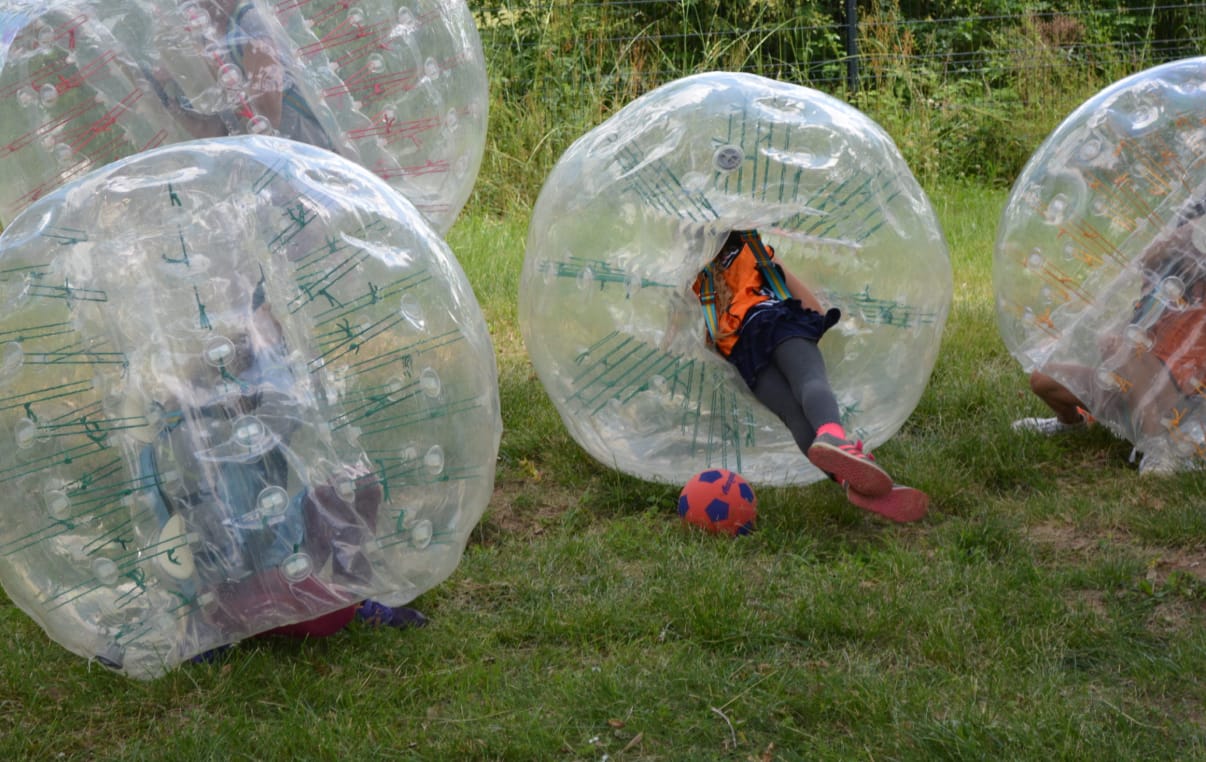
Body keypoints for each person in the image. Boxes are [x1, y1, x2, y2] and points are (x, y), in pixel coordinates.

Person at [693, 229, 928, 522]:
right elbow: (813, 307)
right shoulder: (755, 251)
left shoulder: (701, 284)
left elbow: (708, 340)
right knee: (809, 380)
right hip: (778, 321)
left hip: (743, 351)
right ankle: (833, 435)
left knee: (793, 416)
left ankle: (849, 481)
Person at [1013, 201, 1206, 475]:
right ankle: (1072, 424)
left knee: (1118, 347)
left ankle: (1158, 447)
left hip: (1177, 398)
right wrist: (1178, 242)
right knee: (1043, 379)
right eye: (1192, 233)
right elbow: (1145, 262)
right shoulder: (1167, 274)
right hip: (1132, 384)